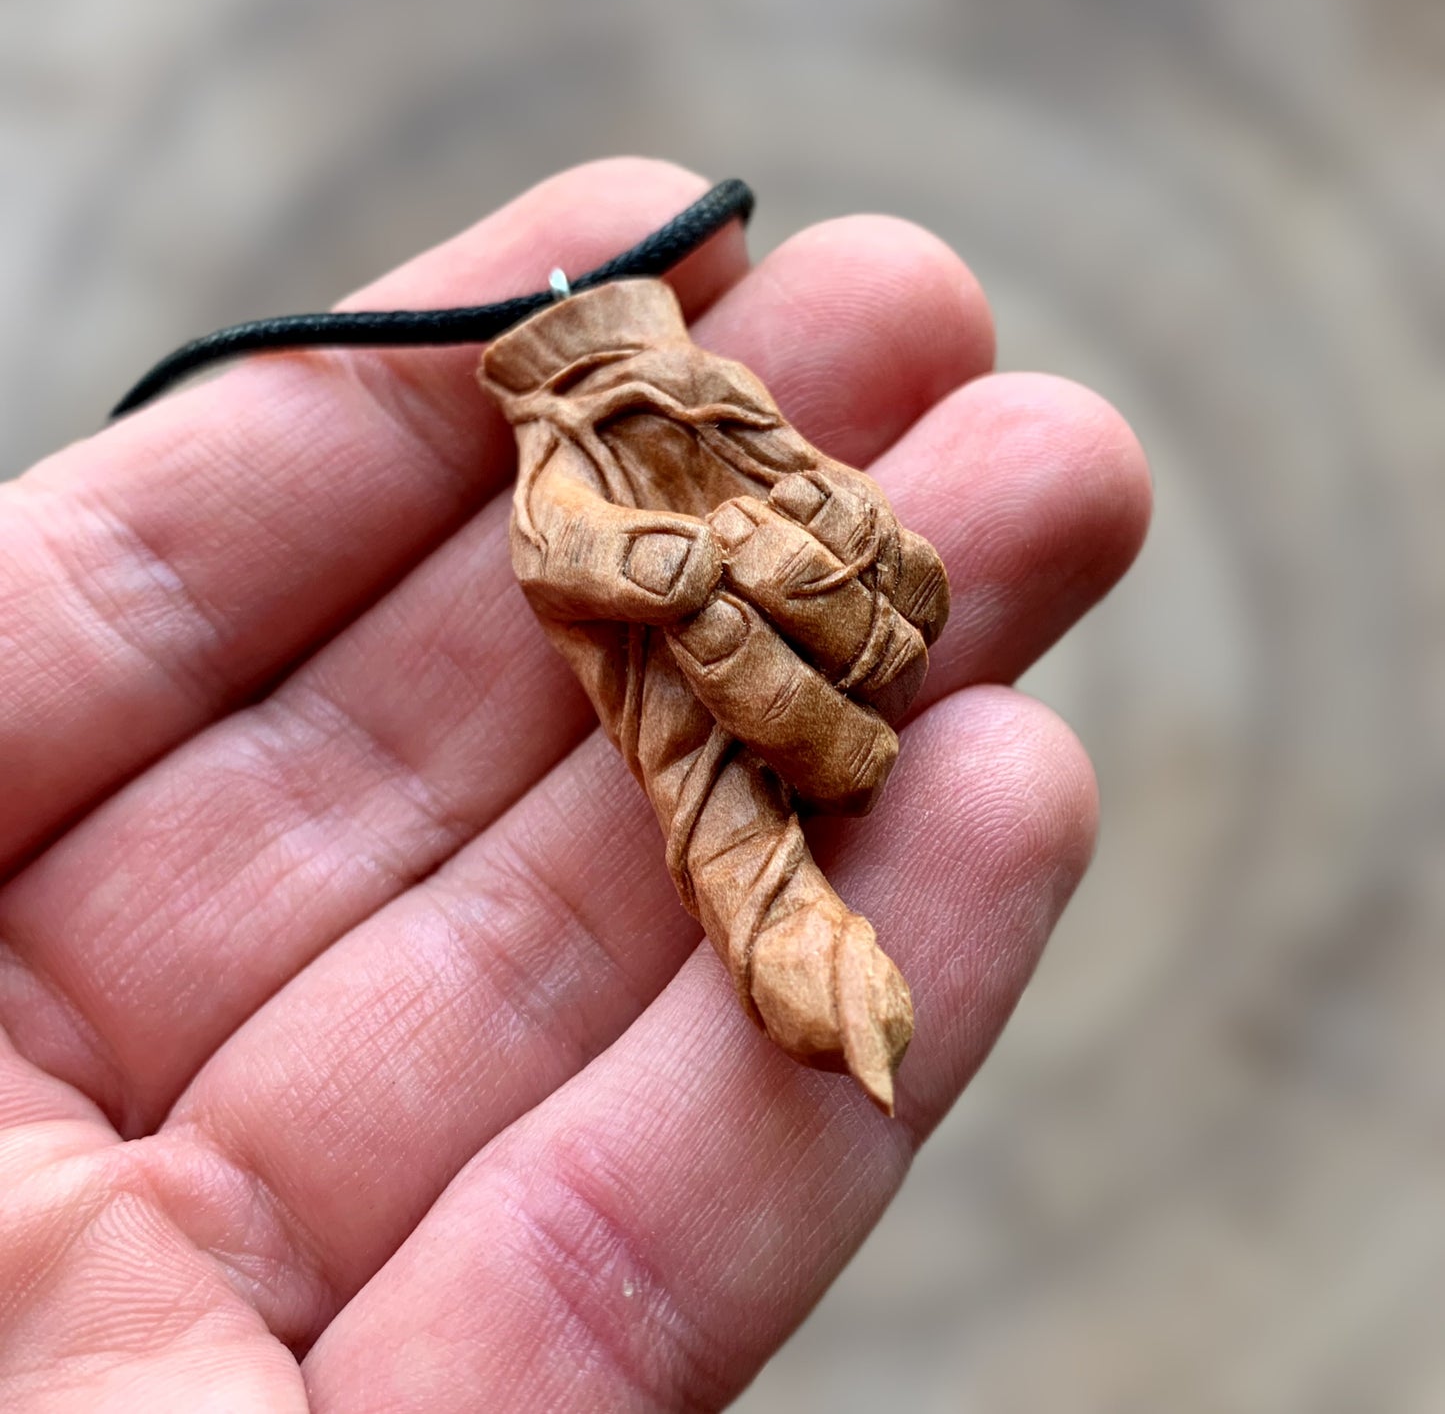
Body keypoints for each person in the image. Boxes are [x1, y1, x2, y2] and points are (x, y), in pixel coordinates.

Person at [0, 158, 1150, 1410]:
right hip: (671, 666)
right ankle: (818, 973)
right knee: (721, 794)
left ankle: (824, 971)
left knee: (805, 724)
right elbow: (575, 554)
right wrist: (663, 558)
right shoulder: (565, 488)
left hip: (725, 620)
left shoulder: (717, 419)